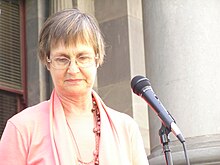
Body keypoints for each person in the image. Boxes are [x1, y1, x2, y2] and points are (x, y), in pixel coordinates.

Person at [0, 8, 149, 165]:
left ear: (97, 59)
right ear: (47, 61)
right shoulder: (22, 128)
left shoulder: (126, 128)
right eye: (62, 59)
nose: (73, 69)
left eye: (82, 57)